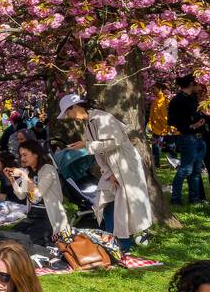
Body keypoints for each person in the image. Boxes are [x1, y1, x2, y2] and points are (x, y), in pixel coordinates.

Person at [60, 93, 153, 252]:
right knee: (106, 201)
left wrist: (86, 145)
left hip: (126, 166)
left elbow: (114, 142)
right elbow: (99, 153)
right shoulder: (90, 122)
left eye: (68, 112)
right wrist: (108, 172)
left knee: (123, 206)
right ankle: (114, 241)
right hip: (113, 168)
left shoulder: (102, 118)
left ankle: (122, 244)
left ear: (75, 107)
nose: (68, 116)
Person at [3, 138, 71, 248]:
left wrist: (23, 175)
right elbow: (21, 195)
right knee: (10, 237)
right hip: (32, 215)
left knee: (29, 242)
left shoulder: (48, 169)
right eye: (21, 155)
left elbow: (38, 193)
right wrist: (12, 179)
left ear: (36, 154)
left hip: (48, 216)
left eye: (25, 155)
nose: (22, 158)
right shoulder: (28, 172)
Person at [167, 74, 207, 206]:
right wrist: (190, 125)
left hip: (199, 138)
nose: (199, 86)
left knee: (196, 170)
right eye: (197, 84)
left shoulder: (193, 98)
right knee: (185, 169)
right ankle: (175, 198)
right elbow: (172, 120)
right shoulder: (178, 100)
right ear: (191, 84)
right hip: (187, 138)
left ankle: (194, 198)